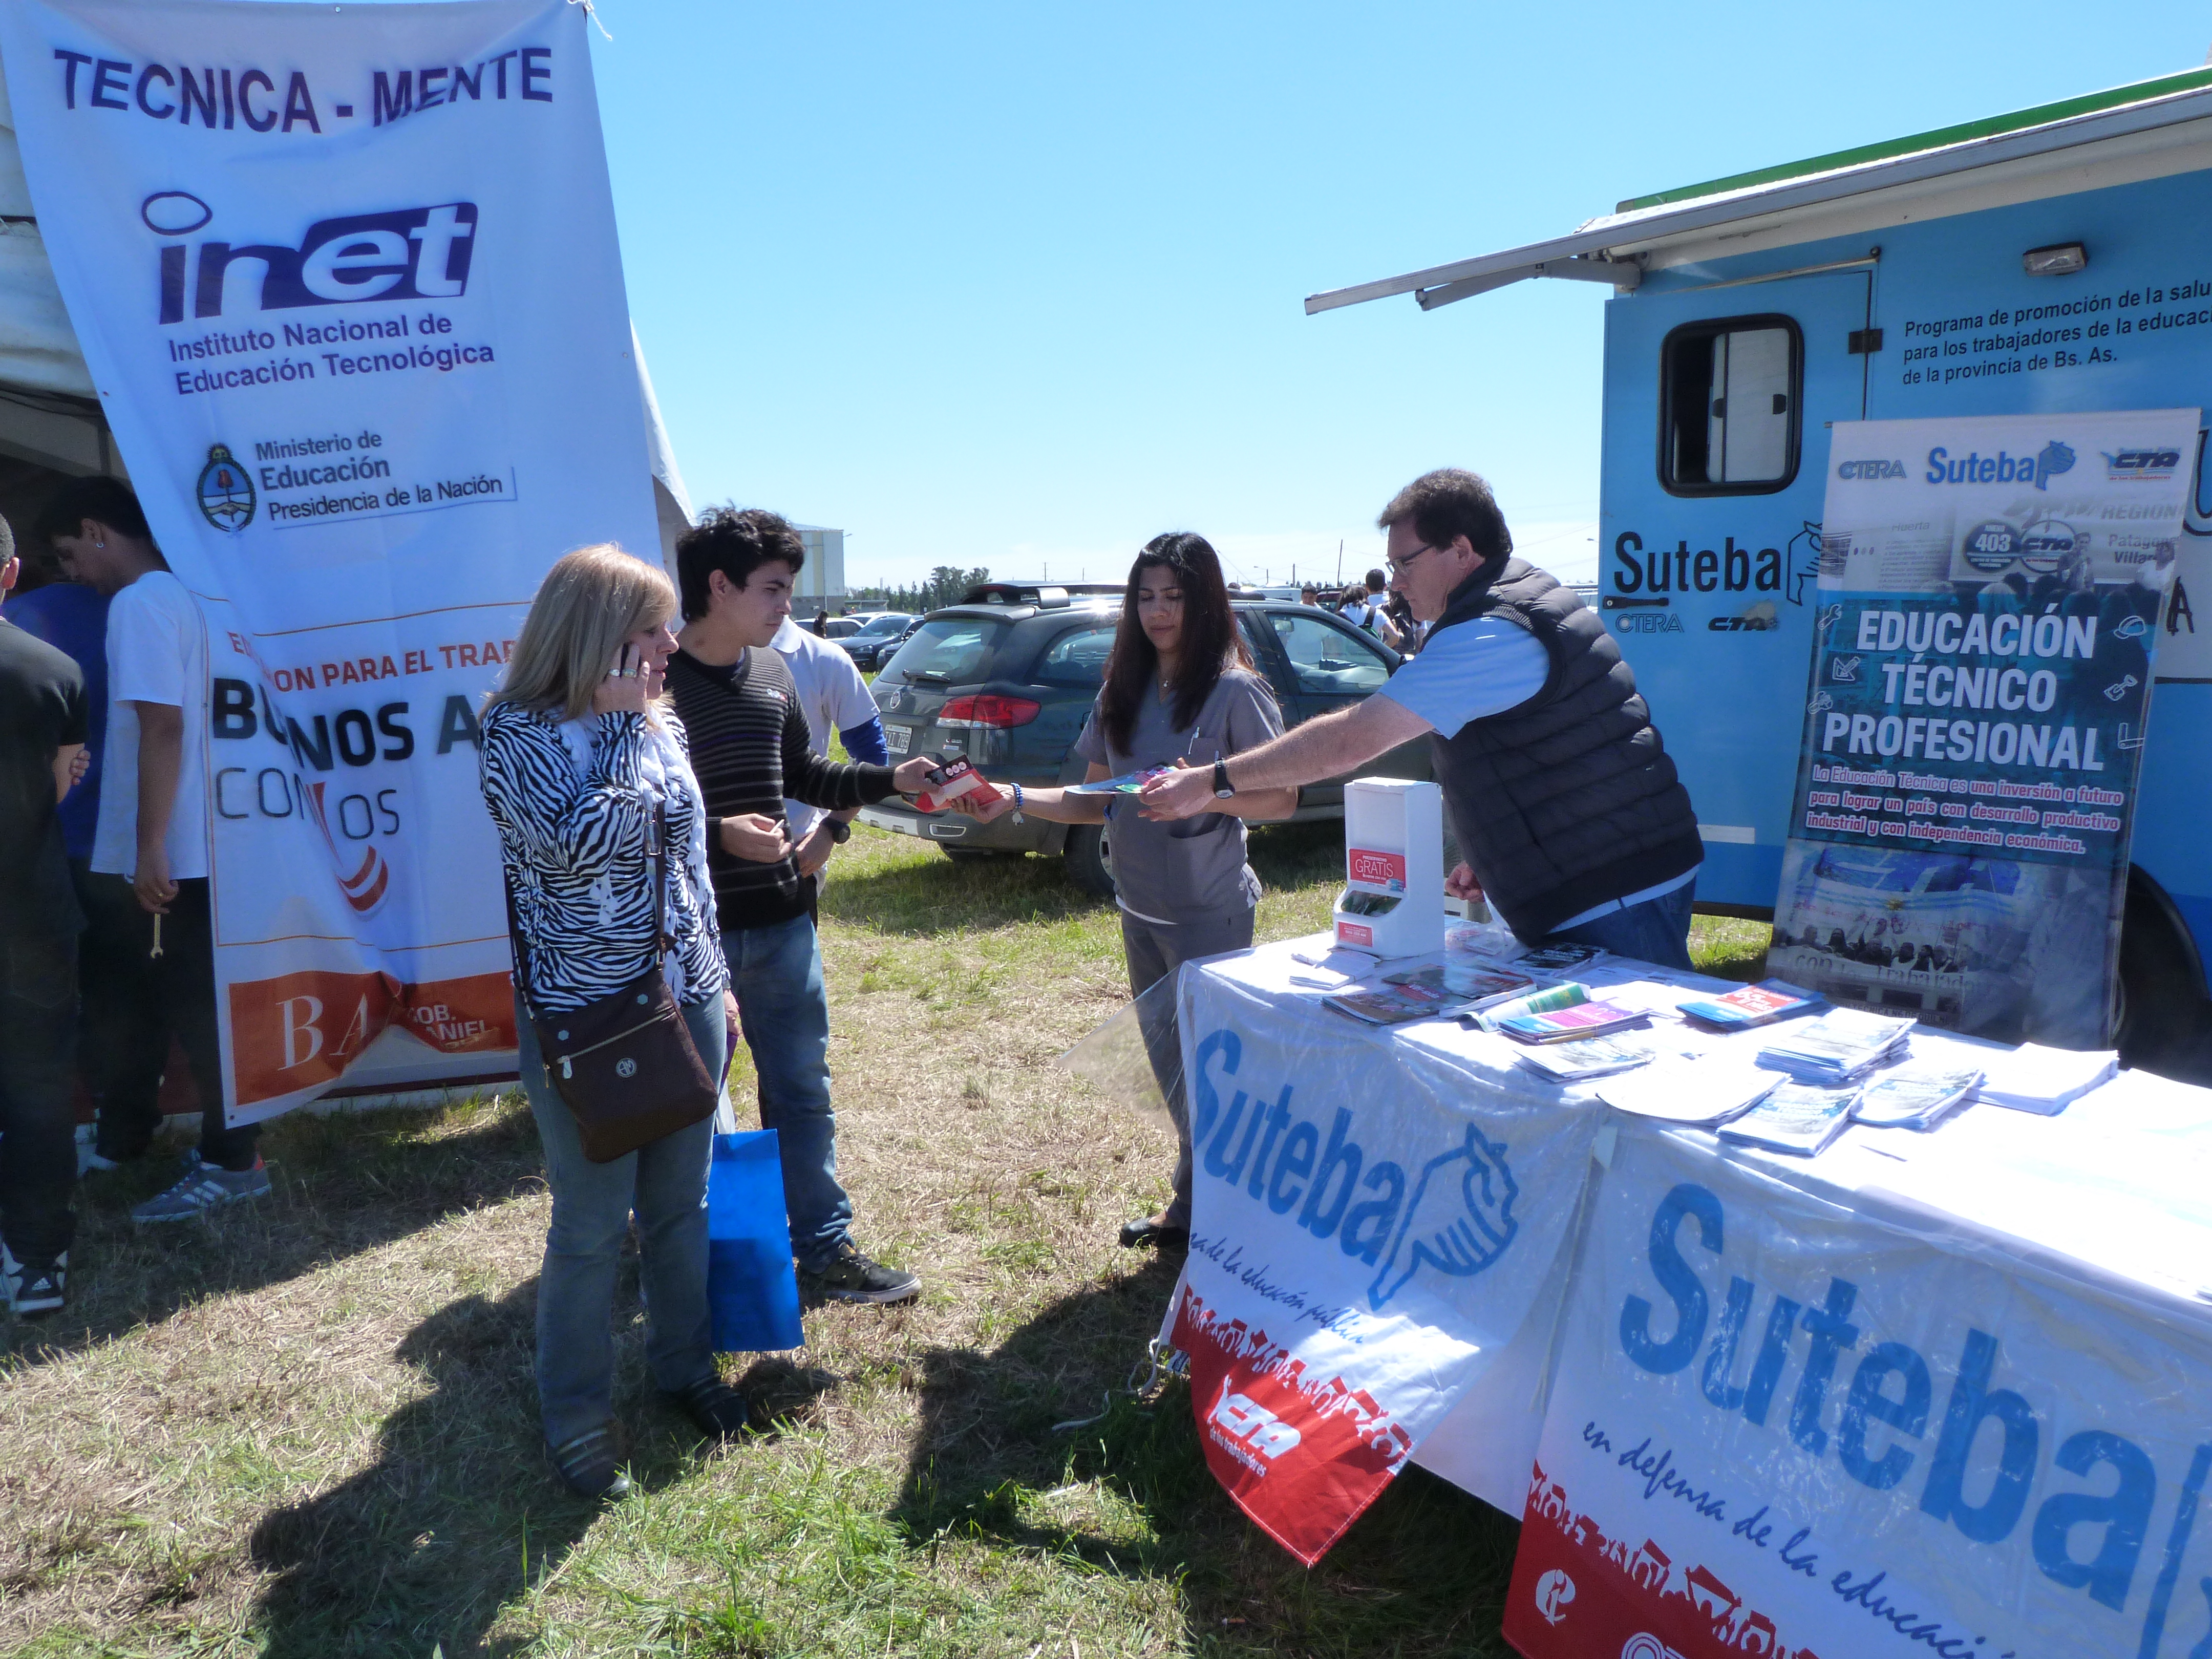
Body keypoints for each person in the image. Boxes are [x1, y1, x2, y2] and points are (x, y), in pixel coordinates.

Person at [1141, 470, 1702, 969]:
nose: (1396, 581)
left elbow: (1354, 738)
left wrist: (1213, 780)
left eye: (1404, 563)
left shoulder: (1492, 629)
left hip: (1611, 890)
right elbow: (1543, 753)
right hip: (1606, 874)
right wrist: (1502, 858)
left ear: (1461, 550)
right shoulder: (1511, 603)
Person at [478, 544, 754, 1500]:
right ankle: (576, 1415)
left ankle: (685, 1369)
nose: (671, 643)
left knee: (684, 1207)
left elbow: (688, 862)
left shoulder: (658, 722)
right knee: (593, 1227)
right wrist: (617, 731)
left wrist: (715, 977)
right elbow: (573, 854)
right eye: (651, 628)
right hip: (588, 1018)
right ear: (597, 634)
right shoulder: (514, 730)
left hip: (685, 998)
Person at [966, 533, 1294, 1252]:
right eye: (1145, 597)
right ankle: (1196, 1207)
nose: (1158, 612)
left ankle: (1221, 1219)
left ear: (1204, 601)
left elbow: (1282, 802)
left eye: (1174, 597)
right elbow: (1092, 801)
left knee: (1214, 1077)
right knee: (1174, 1072)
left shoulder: (1237, 690)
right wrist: (1013, 797)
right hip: (1137, 910)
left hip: (1209, 915)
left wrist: (1204, 793)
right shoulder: (1123, 683)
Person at [665, 508, 943, 1305]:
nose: (788, 604)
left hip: (785, 922)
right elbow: (638, 821)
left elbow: (808, 778)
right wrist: (720, 839)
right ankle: (701, 1270)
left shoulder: (773, 675)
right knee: (695, 1120)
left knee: (801, 1095)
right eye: (774, 588)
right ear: (718, 587)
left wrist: (895, 780)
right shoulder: (652, 687)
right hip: (693, 942)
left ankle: (822, 1250)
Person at [38, 478, 271, 1220]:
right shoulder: (205, 594)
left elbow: (162, 727)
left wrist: (148, 850)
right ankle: (129, 1138)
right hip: (219, 837)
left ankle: (235, 1162)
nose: (72, 574)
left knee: (195, 1010)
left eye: (70, 555)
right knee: (150, 1000)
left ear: (96, 530)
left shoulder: (140, 603)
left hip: (179, 851)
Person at [0, 519, 89, 1316]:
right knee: (36, 1090)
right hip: (28, 912)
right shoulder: (54, 670)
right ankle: (36, 1264)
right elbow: (64, 784)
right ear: (12, 574)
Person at [769, 608, 890, 901]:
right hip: (707, 860)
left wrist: (832, 829)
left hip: (795, 858)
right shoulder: (690, 656)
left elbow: (872, 755)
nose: (781, 602)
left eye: (783, 586)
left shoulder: (824, 658)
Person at [1339, 571, 1403, 649]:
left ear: (1367, 587)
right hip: (1374, 659)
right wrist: (1381, 651)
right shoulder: (1379, 612)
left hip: (1347, 659)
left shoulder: (1338, 616)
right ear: (1385, 586)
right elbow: (1395, 637)